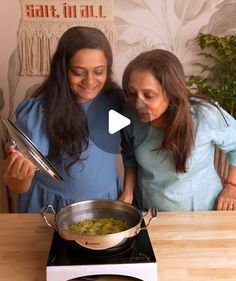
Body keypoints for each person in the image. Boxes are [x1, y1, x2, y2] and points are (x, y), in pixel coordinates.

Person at [3, 26, 123, 212]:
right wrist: (18, 178)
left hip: (106, 204)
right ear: (63, 70)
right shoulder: (40, 112)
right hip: (53, 209)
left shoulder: (116, 101)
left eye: (98, 71)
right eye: (78, 72)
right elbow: (18, 187)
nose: (90, 81)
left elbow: (134, 148)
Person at [119, 49, 236, 211]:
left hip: (202, 214)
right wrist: (127, 194)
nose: (137, 104)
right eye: (131, 93)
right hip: (151, 214)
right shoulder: (129, 113)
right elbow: (130, 155)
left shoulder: (204, 115)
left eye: (149, 95)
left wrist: (232, 186)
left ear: (171, 92)